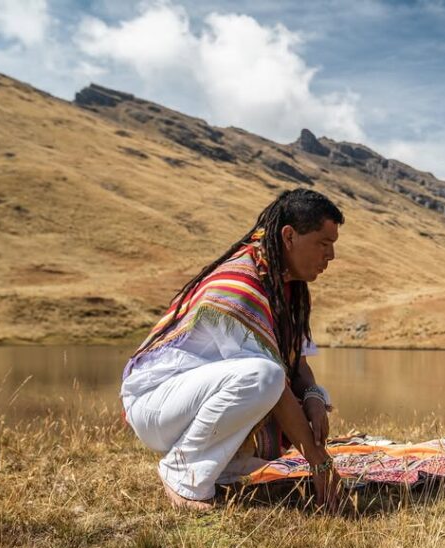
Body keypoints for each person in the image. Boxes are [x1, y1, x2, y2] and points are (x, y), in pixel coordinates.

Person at [121, 189, 343, 511]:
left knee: (304, 387)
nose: (331, 255)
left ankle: (222, 466)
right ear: (289, 236)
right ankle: (183, 471)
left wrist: (312, 396)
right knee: (263, 376)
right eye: (324, 244)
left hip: (192, 401)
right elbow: (274, 383)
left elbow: (297, 365)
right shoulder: (239, 284)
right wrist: (317, 459)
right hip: (156, 406)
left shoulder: (289, 290)